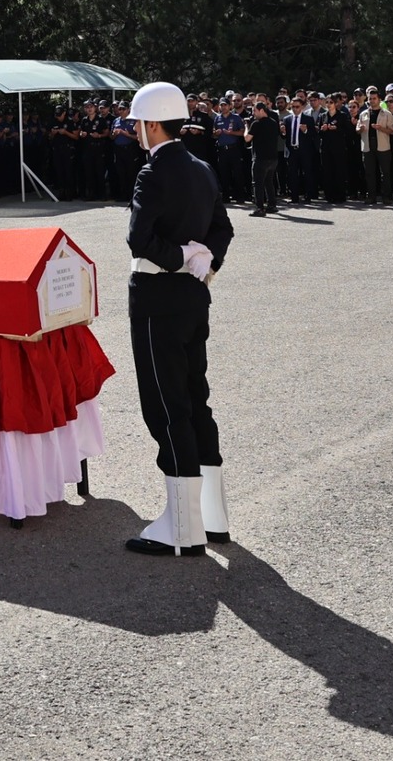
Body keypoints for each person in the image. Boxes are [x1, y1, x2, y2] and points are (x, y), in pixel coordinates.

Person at [121, 81, 234, 558]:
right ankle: (212, 515)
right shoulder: (202, 167)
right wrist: (202, 262)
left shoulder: (153, 173)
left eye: (137, 125)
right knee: (194, 397)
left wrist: (178, 256)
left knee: (165, 404)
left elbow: (139, 241)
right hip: (192, 296)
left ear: (150, 124)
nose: (136, 133)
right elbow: (222, 229)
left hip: (157, 296)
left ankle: (183, 528)